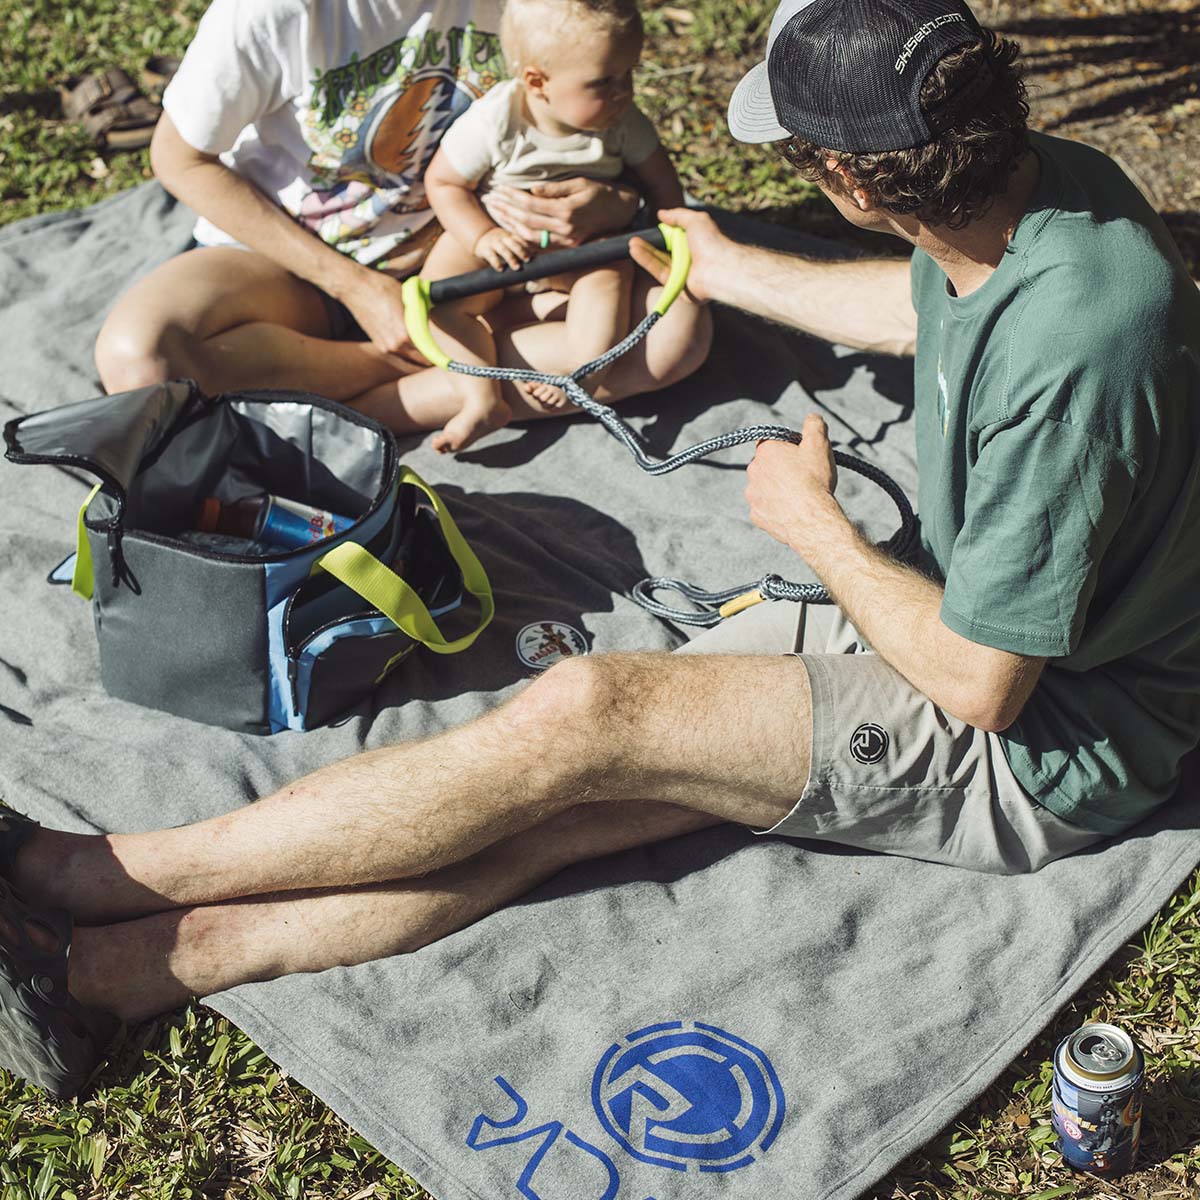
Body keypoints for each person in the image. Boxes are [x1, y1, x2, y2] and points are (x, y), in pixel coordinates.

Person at [4, 0, 1199, 1099]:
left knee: (590, 716)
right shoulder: (1045, 189)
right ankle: (117, 974)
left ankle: (86, 876)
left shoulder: (1078, 362)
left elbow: (984, 684)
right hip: (959, 618)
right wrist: (727, 266)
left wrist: (817, 531)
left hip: (1047, 742)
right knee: (559, 802)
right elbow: (922, 301)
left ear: (846, 175)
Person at [91, 0, 710, 414]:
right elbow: (179, 158)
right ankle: (417, 372)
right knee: (142, 361)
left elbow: (606, 109)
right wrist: (356, 287)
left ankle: (369, 394)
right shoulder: (274, 11)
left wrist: (619, 202)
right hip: (292, 262)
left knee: (675, 337)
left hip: (473, 260)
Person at [358, 0, 687, 453]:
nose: (624, 92)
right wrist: (481, 235)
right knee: (438, 297)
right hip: (501, 235)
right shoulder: (497, 119)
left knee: (610, 276)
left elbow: (663, 183)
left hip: (584, 244)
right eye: (604, 81)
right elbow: (445, 182)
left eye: (629, 74)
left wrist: (667, 231)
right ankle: (480, 397)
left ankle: (586, 372)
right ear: (537, 82)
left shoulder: (622, 124)